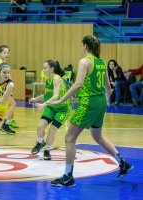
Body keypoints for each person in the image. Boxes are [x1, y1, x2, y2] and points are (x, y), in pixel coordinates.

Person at [47, 35, 133, 187]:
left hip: (89, 102)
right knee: (97, 136)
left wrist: (62, 99)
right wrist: (106, 101)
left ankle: (68, 176)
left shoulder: (85, 61)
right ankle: (122, 163)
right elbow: (108, 85)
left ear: (85, 46)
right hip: (100, 101)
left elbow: (78, 84)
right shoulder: (101, 62)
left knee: (69, 138)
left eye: (82, 45)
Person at [29, 60, 71, 160]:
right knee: (40, 127)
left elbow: (56, 96)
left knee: (52, 131)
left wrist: (43, 104)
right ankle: (40, 142)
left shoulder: (56, 78)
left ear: (52, 69)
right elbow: (48, 95)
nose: (43, 70)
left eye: (45, 68)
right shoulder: (48, 79)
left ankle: (47, 150)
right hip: (52, 107)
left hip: (62, 109)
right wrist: (36, 98)